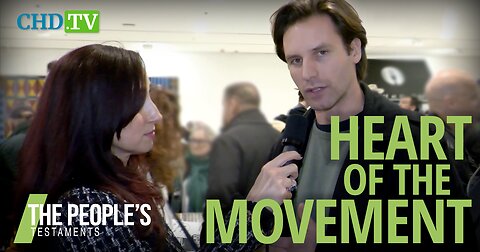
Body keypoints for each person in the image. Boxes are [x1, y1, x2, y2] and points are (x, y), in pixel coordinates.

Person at [8, 44, 299, 252]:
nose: (156, 115)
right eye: (138, 102)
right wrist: (253, 211)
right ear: (96, 112)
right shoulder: (85, 202)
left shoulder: (113, 184)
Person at [269, 0, 476, 251]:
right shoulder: (289, 142)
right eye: (295, 60)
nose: (308, 73)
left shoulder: (417, 140)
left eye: (321, 53)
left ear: (354, 50)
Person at [201, 82, 281, 244]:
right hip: (271, 236)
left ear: (232, 104)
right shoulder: (278, 137)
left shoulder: (228, 140)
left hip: (235, 238)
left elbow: (218, 198)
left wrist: (208, 240)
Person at [183, 121, 215, 212]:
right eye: (193, 141)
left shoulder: (219, 169)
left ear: (211, 144)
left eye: (200, 141)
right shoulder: (182, 167)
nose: (196, 145)